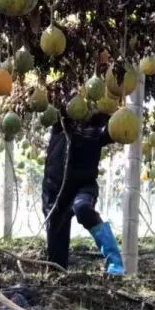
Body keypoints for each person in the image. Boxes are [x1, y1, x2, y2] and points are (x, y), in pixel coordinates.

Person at [42, 110, 124, 275]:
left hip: (83, 186)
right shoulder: (61, 120)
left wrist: (121, 113)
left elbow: (116, 129)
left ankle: (114, 261)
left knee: (83, 209)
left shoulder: (99, 125)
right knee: (56, 246)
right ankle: (57, 276)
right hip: (54, 189)